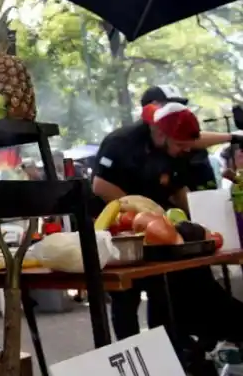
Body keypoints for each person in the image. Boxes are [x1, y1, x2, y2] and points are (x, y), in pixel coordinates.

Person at [92, 99, 243, 361]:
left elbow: (177, 189)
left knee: (161, 289)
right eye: (180, 145)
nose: (184, 150)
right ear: (161, 133)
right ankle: (130, 356)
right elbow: (101, 187)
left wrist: (196, 222)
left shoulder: (173, 150)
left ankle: (166, 355)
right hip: (118, 228)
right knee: (125, 297)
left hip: (155, 230)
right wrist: (141, 215)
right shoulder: (122, 142)